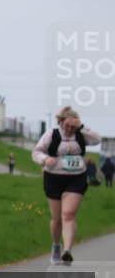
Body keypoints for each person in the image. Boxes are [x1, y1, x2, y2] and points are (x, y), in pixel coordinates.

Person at [31, 106, 102, 265]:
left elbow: (98, 139)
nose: (70, 129)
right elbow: (36, 152)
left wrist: (81, 127)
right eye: (67, 125)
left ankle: (67, 251)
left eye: (73, 126)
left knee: (68, 214)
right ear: (61, 122)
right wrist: (44, 159)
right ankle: (56, 246)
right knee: (56, 219)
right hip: (53, 178)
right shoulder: (52, 134)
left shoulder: (81, 134)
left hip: (76, 178)